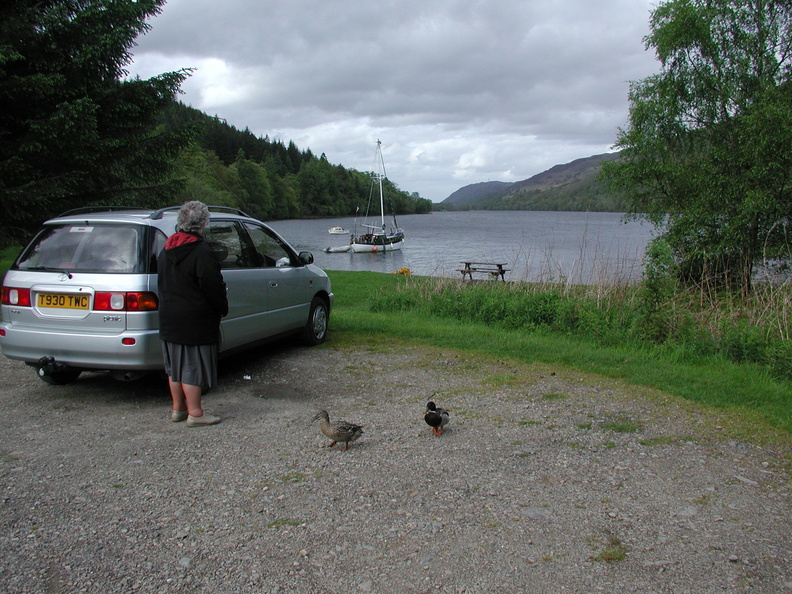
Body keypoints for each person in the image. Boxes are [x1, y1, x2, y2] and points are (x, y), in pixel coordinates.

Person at [157, 201, 228, 427]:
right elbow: (212, 285)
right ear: (204, 223)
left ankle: (178, 409)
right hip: (194, 319)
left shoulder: (167, 249)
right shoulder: (201, 251)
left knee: (174, 367)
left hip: (169, 315)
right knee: (191, 366)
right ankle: (195, 413)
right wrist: (221, 307)